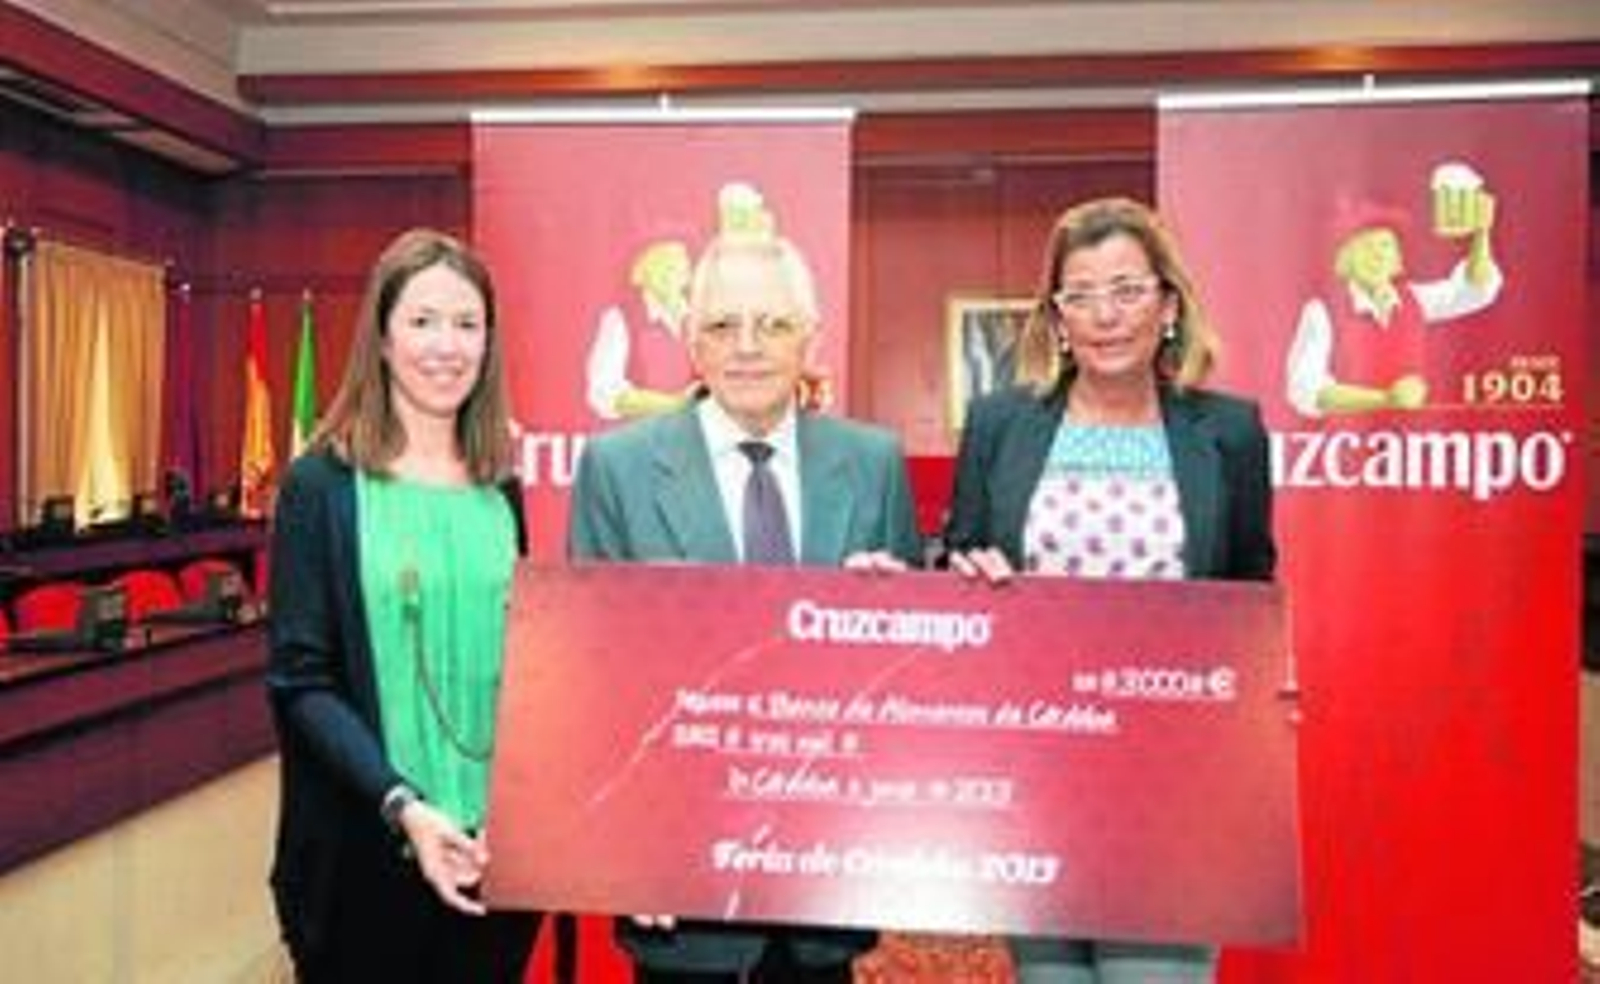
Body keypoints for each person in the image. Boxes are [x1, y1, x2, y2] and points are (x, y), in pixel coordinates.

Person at [568, 225, 922, 983]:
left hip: (826, 883)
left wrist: (890, 620)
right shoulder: (618, 468)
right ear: (692, 341)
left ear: (810, 340)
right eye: (724, 325)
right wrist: (626, 851)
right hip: (677, 886)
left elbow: (910, 686)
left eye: (775, 324)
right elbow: (594, 685)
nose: (749, 346)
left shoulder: (873, 464)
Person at [944, 197, 1275, 982]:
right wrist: (970, 576)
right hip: (1034, 773)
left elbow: (1249, 593)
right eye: (1081, 295)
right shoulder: (1001, 425)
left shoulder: (1227, 433)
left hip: (1176, 782)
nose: (1105, 315)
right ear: (1056, 318)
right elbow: (957, 561)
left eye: (1127, 290)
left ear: (1168, 304)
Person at [266, 228, 541, 983]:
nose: (445, 346)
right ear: (381, 339)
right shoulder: (321, 487)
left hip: (497, 856)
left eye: (466, 324)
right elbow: (301, 680)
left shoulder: (501, 489)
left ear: (488, 342)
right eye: (421, 321)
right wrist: (405, 807)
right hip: (367, 849)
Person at [1285, 162, 1501, 417]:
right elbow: (1305, 388)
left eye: (1385, 247)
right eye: (1366, 247)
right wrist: (1385, 399)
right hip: (1352, 445)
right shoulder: (1322, 312)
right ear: (1346, 261)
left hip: (1410, 444)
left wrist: (1481, 236)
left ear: (1397, 260)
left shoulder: (1415, 300)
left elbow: (1475, 290)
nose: (1377, 255)